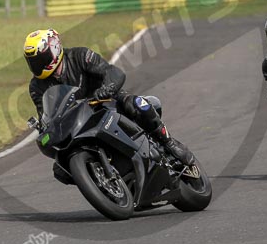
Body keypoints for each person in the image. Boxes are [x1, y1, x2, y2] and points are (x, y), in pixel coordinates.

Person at [23, 29, 194, 184]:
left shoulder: (80, 56)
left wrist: (107, 89)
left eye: (40, 59)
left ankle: (169, 143)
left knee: (136, 104)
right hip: (78, 122)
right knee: (60, 170)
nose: (37, 65)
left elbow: (112, 71)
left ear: (54, 49)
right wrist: (45, 129)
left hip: (105, 101)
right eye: (33, 61)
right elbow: (46, 114)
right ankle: (103, 183)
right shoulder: (36, 87)